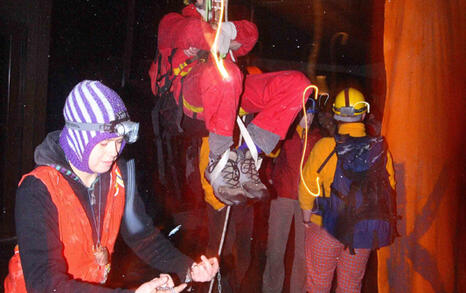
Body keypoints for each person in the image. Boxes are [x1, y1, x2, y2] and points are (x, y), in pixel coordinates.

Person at [4, 80, 218, 293]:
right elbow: (44, 283)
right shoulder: (38, 190)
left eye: (118, 141)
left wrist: (188, 267)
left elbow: (142, 237)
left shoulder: (120, 175)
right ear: (79, 140)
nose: (114, 152)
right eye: (104, 143)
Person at [150, 0, 312, 206]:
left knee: (298, 84)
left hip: (229, 91)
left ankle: (248, 153)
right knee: (225, 71)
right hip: (191, 92)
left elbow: (251, 33)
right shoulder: (172, 21)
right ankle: (219, 158)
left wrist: (221, 32)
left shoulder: (219, 24)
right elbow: (191, 32)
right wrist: (221, 39)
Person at [298, 88, 396, 292]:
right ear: (363, 113)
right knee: (351, 286)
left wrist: (307, 218)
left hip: (325, 227)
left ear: (335, 114)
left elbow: (306, 187)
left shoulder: (325, 146)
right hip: (362, 231)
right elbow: (390, 187)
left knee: (318, 286)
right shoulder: (379, 149)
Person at [262, 99, 322, 293]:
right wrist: (272, 180)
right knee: (275, 250)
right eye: (306, 113)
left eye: (312, 114)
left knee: (303, 253)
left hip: (306, 201)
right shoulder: (285, 134)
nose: (309, 118)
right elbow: (269, 156)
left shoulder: (317, 137)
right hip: (283, 197)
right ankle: (271, 289)